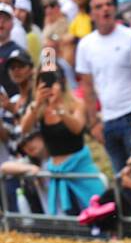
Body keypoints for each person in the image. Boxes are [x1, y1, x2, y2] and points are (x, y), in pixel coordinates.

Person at [18, 67, 100, 215]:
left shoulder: (75, 103)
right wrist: (37, 103)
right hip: (56, 171)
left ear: (62, 82)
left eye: (52, 81)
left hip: (79, 168)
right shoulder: (39, 108)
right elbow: (24, 128)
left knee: (95, 213)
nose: (48, 87)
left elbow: (77, 128)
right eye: (43, 83)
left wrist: (59, 108)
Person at [76, 0, 131, 172]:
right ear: (91, 14)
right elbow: (87, 87)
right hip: (108, 119)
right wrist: (94, 122)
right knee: (120, 176)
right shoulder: (85, 44)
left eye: (108, 4)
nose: (105, 9)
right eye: (98, 6)